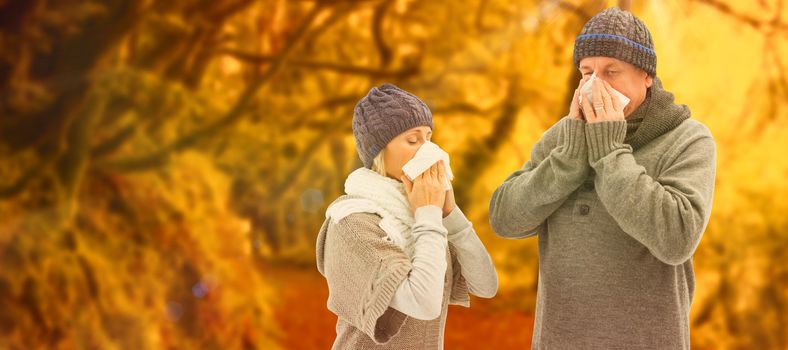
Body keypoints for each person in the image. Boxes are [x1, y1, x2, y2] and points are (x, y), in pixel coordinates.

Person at [488, 7, 716, 349]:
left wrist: (609, 153)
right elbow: (505, 218)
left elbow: (676, 238)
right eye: (587, 72)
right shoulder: (564, 137)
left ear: (646, 76)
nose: (596, 85)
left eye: (611, 72)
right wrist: (567, 160)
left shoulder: (687, 139)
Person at [317, 83, 498, 349]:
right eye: (413, 140)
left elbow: (486, 285)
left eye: (429, 138)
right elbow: (423, 303)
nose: (429, 152)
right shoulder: (351, 222)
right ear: (379, 152)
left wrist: (450, 215)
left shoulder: (425, 216)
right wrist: (428, 214)